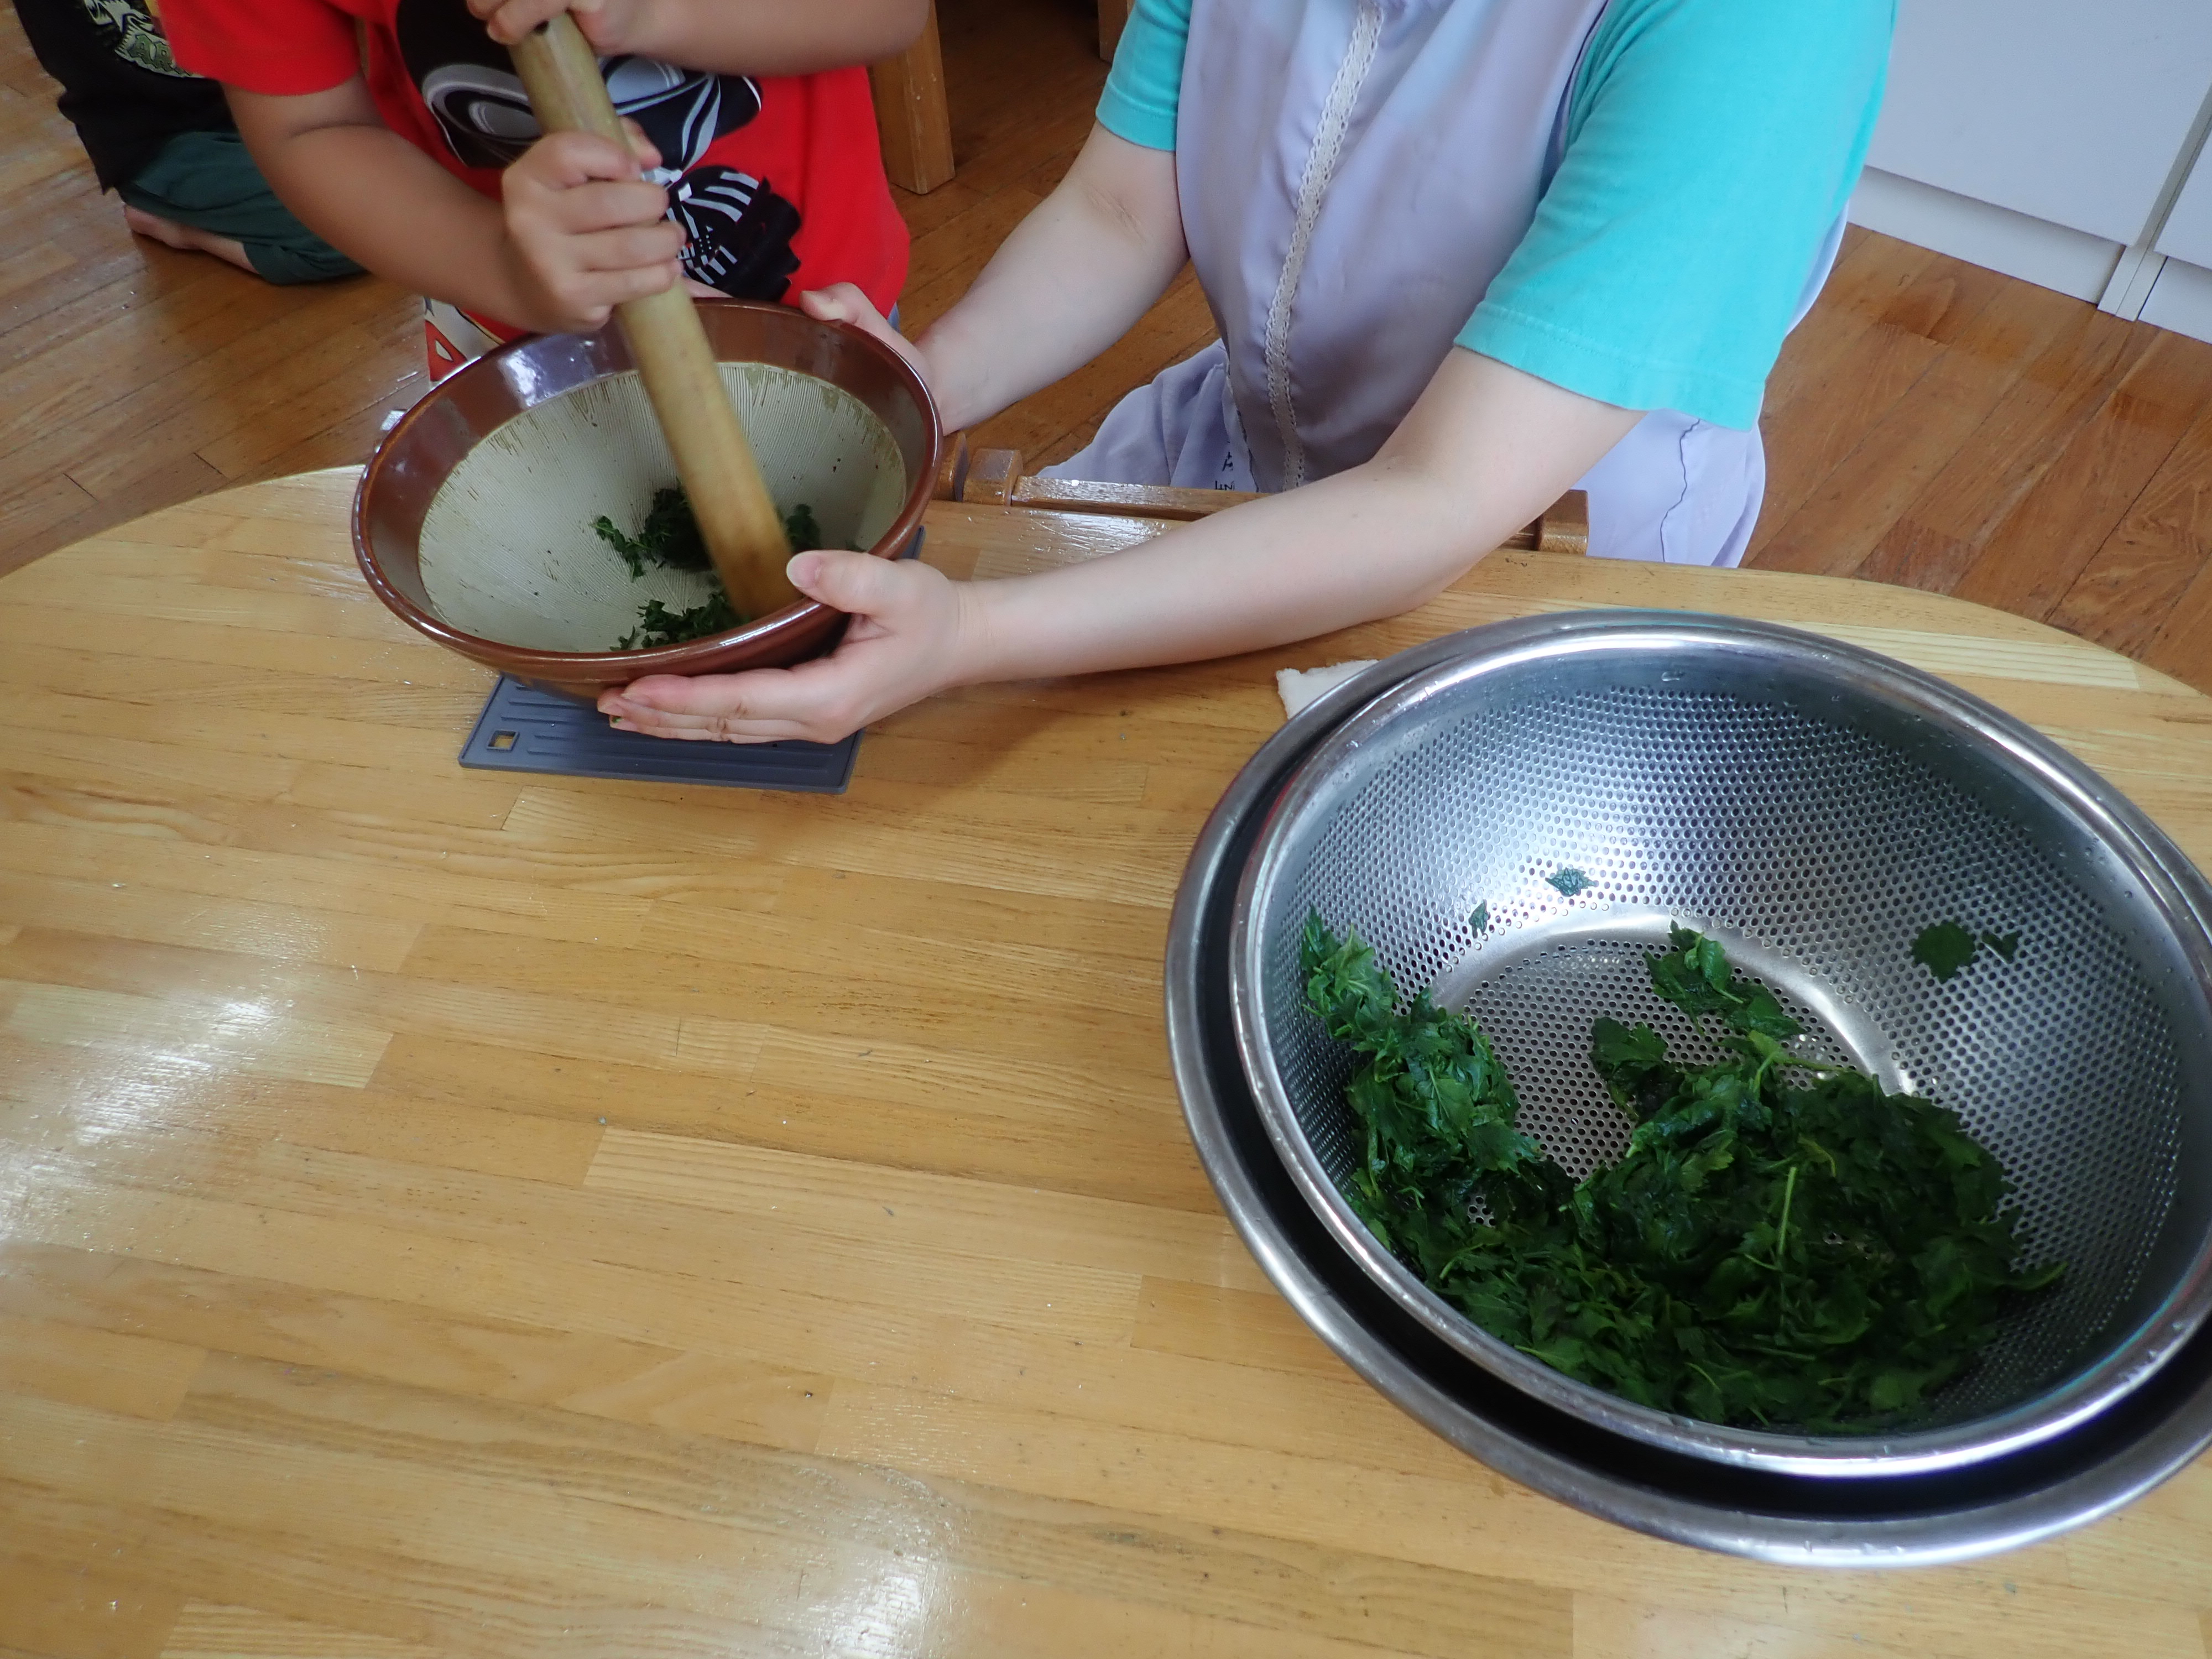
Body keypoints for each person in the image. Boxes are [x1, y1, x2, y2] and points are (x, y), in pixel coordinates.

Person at [590, 0, 1895, 747]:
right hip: (1250, 437)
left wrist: (980, 636)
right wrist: (926, 384)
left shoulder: (1763, 29)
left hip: (1536, 537)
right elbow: (1118, 210)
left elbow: (1439, 496)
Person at [159, 0, 921, 378]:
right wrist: (505, 268)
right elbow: (308, 129)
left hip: (827, 307)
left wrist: (658, 11)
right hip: (523, 338)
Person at [11, 0, 363, 284]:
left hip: (270, 102)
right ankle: (182, 232)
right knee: (352, 234)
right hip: (165, 145)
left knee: (378, 186)